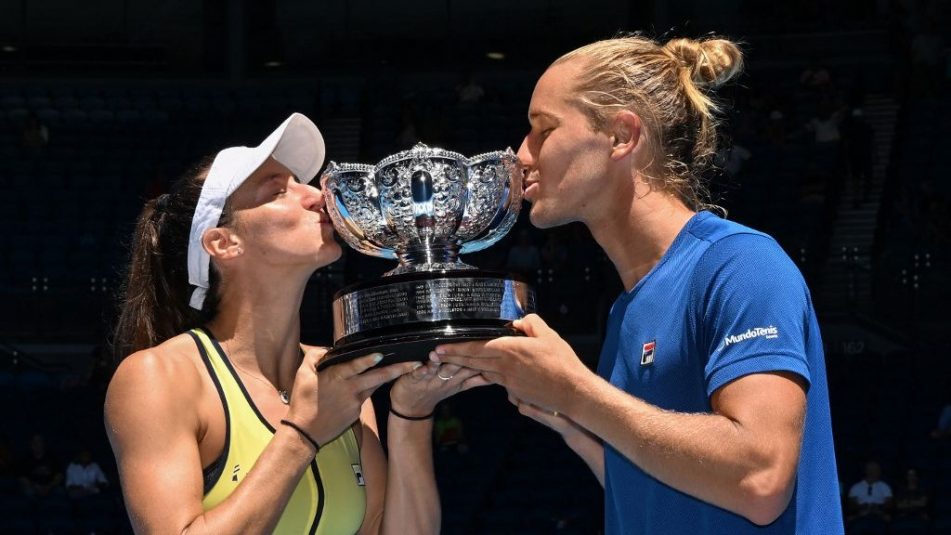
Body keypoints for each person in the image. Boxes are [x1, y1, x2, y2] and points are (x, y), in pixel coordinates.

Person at [430, 35, 843, 533]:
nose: (521, 155)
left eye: (544, 129)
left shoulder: (741, 263)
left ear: (622, 136)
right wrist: (572, 420)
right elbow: (660, 496)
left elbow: (760, 479)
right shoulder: (627, 309)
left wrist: (578, 391)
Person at [105, 113, 484, 534]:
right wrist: (302, 433)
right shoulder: (157, 377)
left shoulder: (340, 373)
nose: (316, 196)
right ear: (223, 243)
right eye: (278, 191)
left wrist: (411, 415)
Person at [847, 461, 893, 534]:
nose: (873, 472)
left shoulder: (884, 486)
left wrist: (877, 508)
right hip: (861, 516)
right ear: (866, 471)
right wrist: (863, 507)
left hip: (878, 516)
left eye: (876, 469)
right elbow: (852, 504)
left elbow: (889, 503)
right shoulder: (856, 487)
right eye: (871, 469)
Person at [18, 434, 62, 498]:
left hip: (50, 487)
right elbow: (21, 477)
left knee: (60, 491)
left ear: (43, 443)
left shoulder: (52, 457)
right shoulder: (25, 459)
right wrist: (34, 486)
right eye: (34, 442)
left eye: (39, 442)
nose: (37, 444)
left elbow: (59, 475)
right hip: (33, 487)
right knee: (28, 492)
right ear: (31, 445)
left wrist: (49, 486)